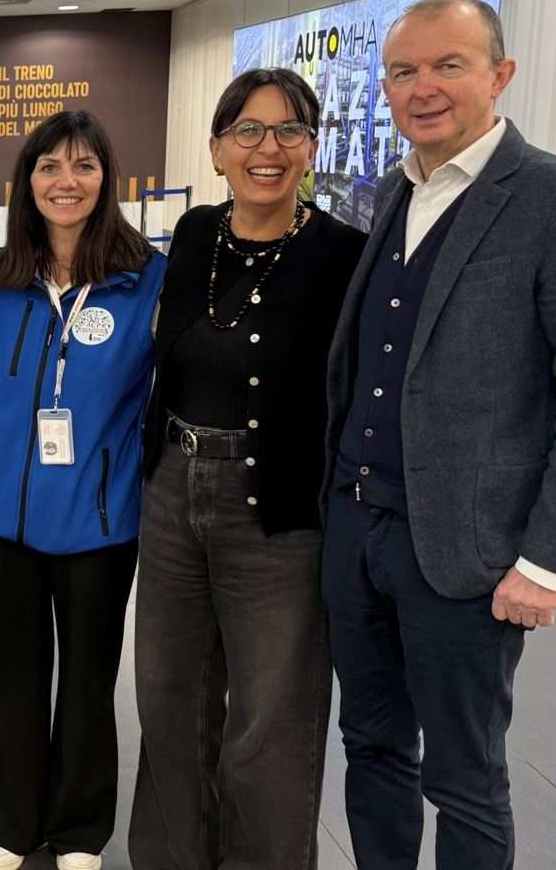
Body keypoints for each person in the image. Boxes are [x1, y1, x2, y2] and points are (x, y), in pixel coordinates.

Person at [322, 0, 556, 868]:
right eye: (402, 71)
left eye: (447, 65)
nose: (422, 87)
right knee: (371, 747)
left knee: (464, 777)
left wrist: (548, 563)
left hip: (465, 550)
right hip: (356, 528)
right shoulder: (393, 190)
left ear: (499, 75)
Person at [128, 69, 365, 870]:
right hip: (172, 490)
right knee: (168, 696)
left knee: (270, 714)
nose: (268, 148)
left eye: (289, 130)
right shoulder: (195, 233)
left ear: (312, 147)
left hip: (277, 509)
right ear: (217, 149)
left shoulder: (342, 255)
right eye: (248, 131)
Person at [0, 111, 166, 870]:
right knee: (6, 674)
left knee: (87, 680)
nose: (65, 182)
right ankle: (7, 823)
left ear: (107, 179)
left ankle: (78, 828)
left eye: (83, 166)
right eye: (48, 167)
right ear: (27, 181)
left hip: (102, 516)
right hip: (8, 513)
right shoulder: (0, 282)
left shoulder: (146, 280)